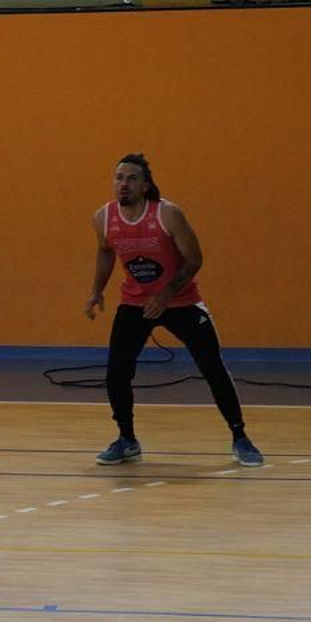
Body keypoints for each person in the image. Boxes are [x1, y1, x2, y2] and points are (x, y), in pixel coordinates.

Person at [86, 153, 264, 467]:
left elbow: (194, 259)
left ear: (145, 186)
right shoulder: (103, 217)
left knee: (212, 367)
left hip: (181, 301)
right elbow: (104, 251)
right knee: (117, 371)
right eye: (119, 178)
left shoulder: (167, 214)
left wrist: (166, 294)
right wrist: (96, 290)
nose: (123, 184)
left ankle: (240, 437)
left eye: (131, 179)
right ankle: (127, 440)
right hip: (136, 303)